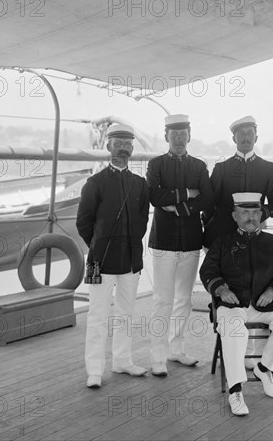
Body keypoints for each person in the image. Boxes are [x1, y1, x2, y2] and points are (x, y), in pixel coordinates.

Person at [200, 192, 273, 416]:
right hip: (233, 307)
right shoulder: (222, 242)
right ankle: (235, 390)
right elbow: (207, 271)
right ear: (235, 216)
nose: (251, 217)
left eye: (255, 213)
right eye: (245, 213)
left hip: (265, 306)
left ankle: (264, 369)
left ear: (261, 216)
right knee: (235, 330)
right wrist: (222, 289)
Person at [202, 115, 273, 369]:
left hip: (258, 239)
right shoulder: (222, 169)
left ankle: (256, 354)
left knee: (259, 292)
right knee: (232, 295)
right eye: (241, 133)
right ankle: (233, 352)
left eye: (250, 132)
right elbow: (210, 205)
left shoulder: (269, 169)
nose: (246, 137)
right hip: (226, 242)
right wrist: (212, 240)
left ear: (256, 137)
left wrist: (259, 216)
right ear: (234, 138)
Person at [76, 123, 150, 388]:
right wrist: (97, 245)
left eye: (128, 144)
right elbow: (83, 223)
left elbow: (141, 221)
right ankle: (94, 371)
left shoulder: (140, 185)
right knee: (97, 317)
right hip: (99, 262)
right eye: (118, 143)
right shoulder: (94, 184)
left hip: (131, 261)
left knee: (126, 314)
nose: (123, 148)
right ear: (108, 147)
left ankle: (122, 360)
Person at [147, 114, 214, 377]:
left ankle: (177, 349)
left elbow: (207, 199)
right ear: (166, 137)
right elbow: (154, 196)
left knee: (183, 300)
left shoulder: (199, 166)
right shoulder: (156, 164)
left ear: (189, 135)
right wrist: (188, 193)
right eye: (173, 134)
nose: (178, 138)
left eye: (182, 133)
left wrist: (179, 206)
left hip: (190, 241)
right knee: (162, 300)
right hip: (163, 241)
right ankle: (158, 356)